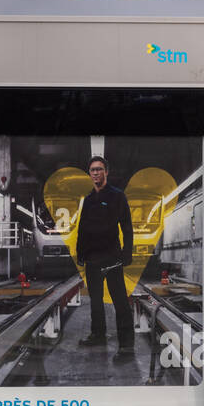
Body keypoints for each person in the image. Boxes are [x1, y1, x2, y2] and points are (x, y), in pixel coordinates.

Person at [75, 155, 135, 362]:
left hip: (112, 257)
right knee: (95, 302)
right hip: (92, 258)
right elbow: (82, 229)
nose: (96, 173)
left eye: (99, 169)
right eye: (92, 170)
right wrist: (80, 253)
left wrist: (127, 252)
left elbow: (127, 226)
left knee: (120, 301)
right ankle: (98, 334)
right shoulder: (89, 199)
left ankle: (126, 346)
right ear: (89, 173)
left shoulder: (117, 196)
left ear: (106, 172)